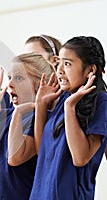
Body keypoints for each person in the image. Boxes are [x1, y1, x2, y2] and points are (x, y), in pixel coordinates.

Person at [30, 36, 107, 200]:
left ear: (90, 70)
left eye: (67, 64)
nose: (59, 70)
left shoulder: (102, 102)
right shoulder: (65, 97)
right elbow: (42, 151)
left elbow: (81, 158)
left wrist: (70, 107)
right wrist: (41, 105)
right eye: (59, 63)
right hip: (41, 194)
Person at [0, 53, 55, 199]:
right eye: (10, 77)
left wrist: (18, 114)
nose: (10, 84)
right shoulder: (1, 115)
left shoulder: (40, 119)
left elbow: (14, 157)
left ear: (39, 86)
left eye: (19, 78)